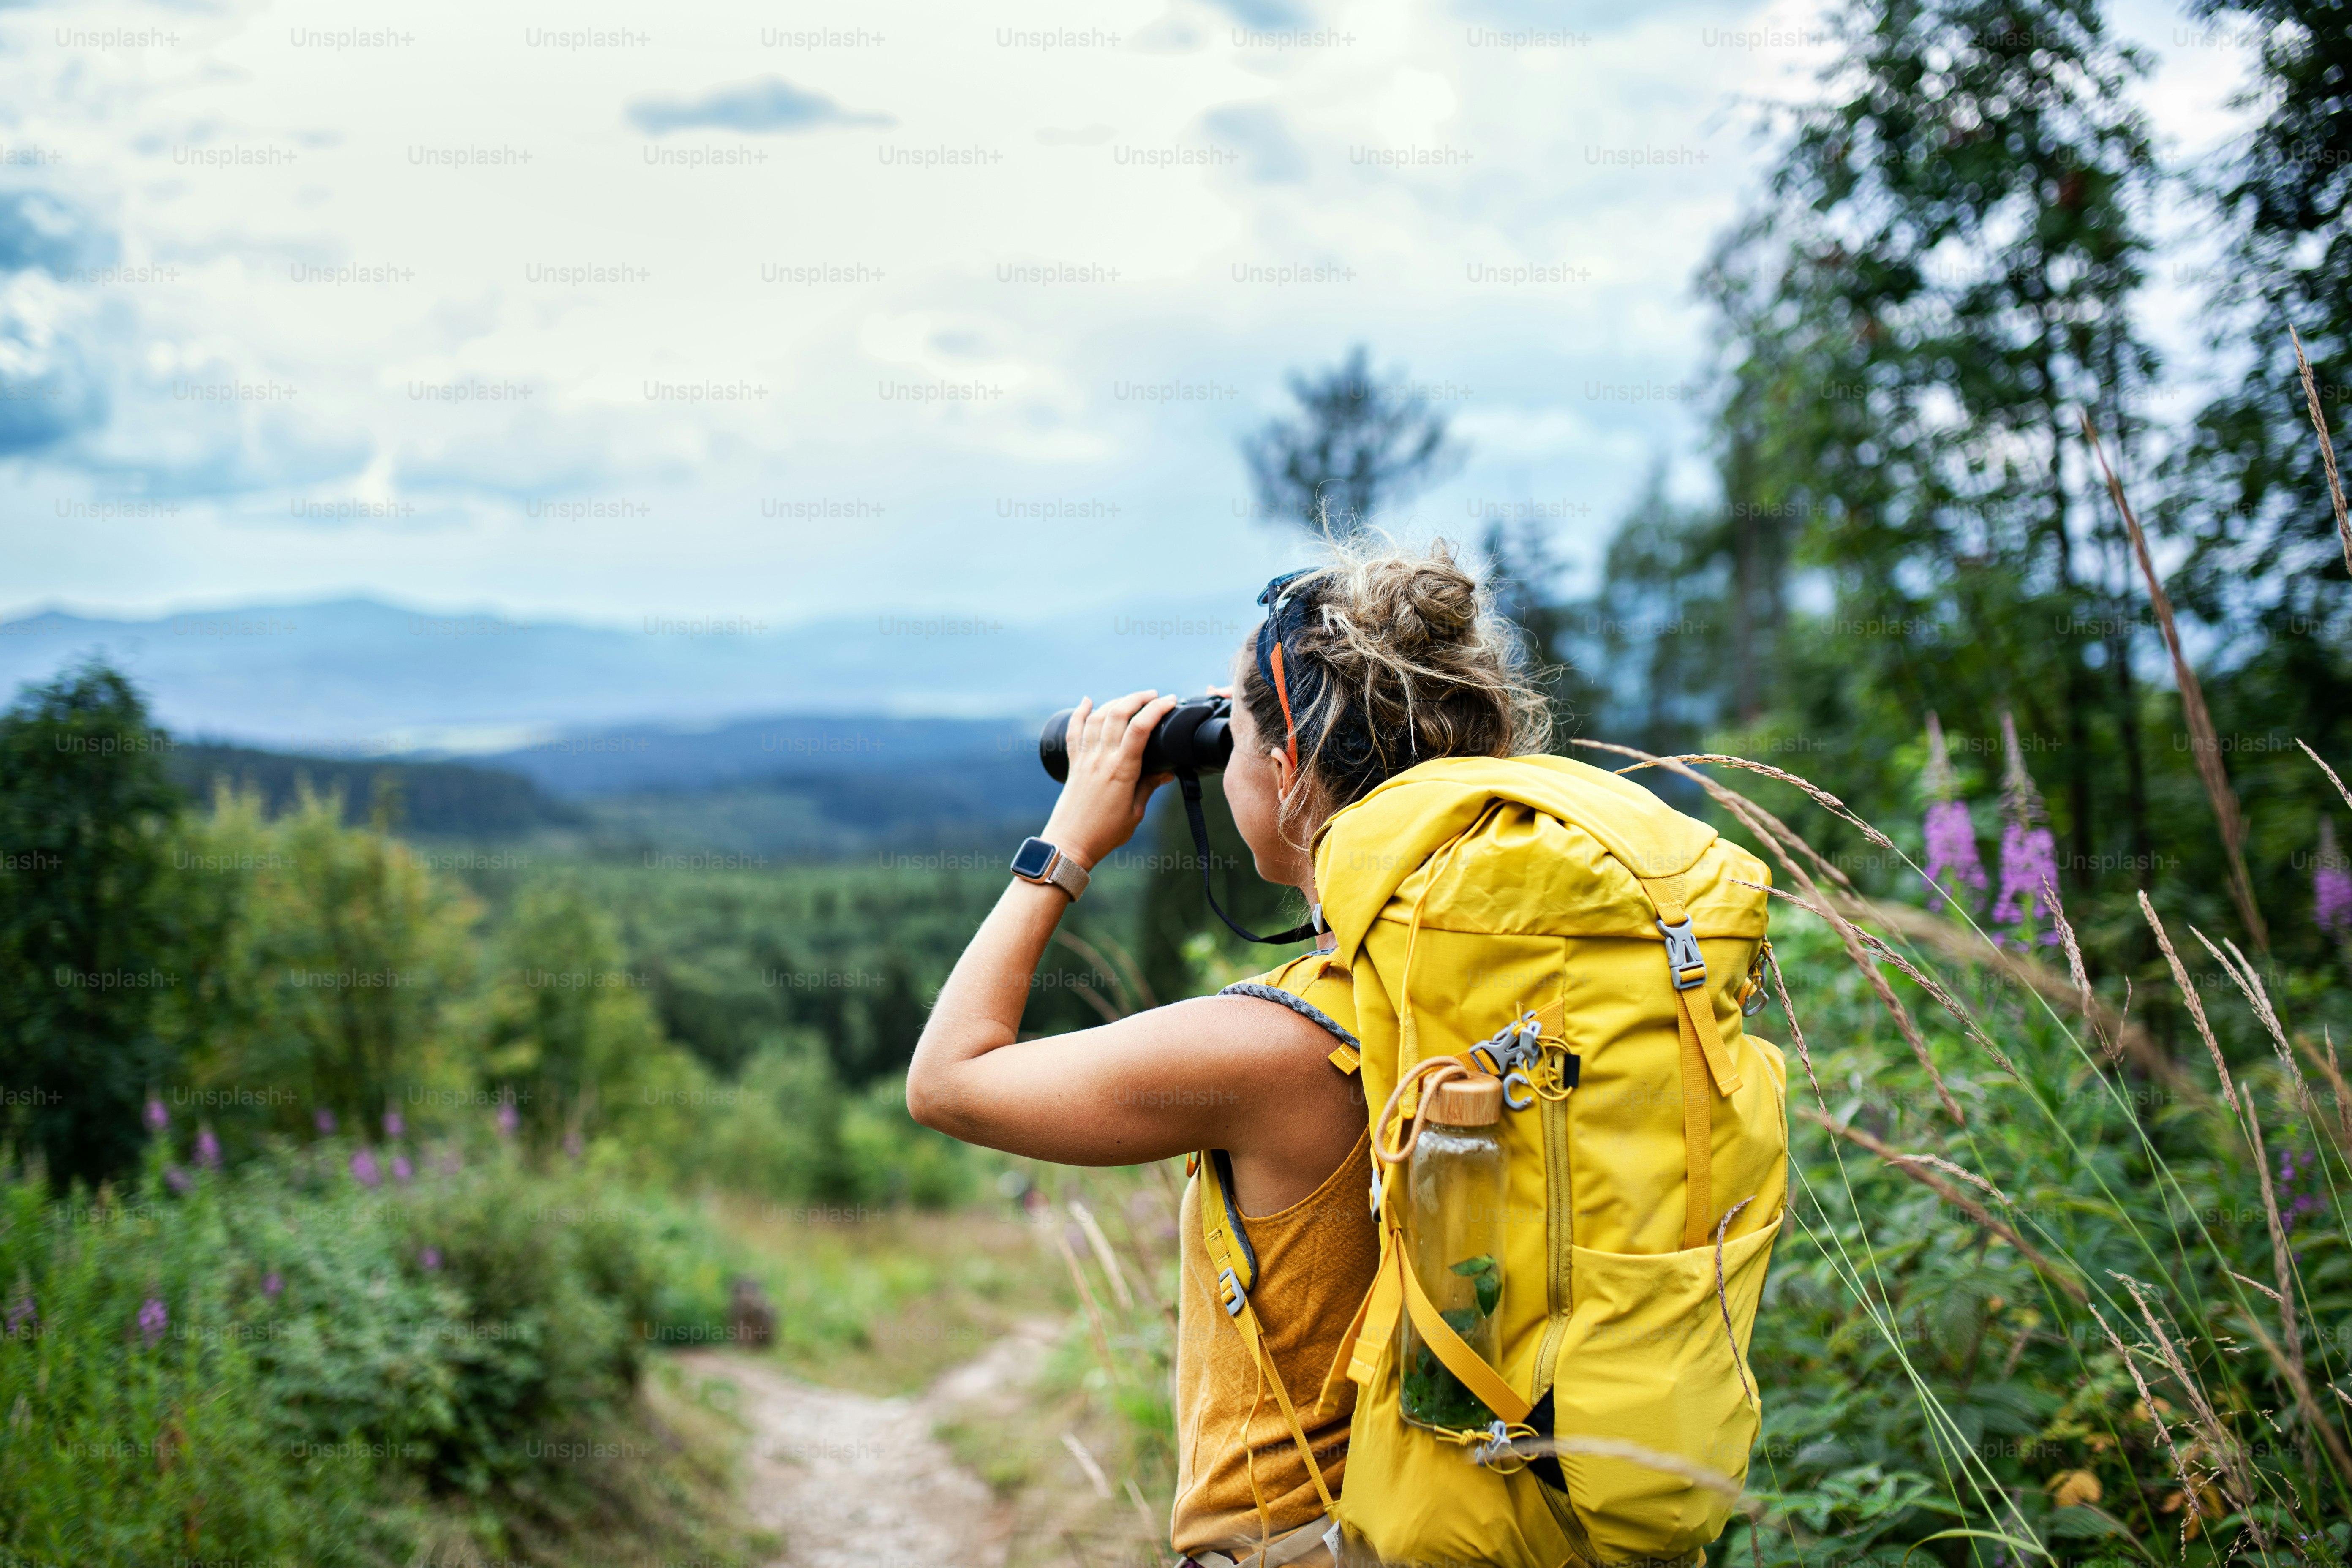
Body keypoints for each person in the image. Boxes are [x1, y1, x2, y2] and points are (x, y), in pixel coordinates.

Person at [906, 536, 1550, 1568]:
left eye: (1240, 735)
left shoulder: (1278, 1046)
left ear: (1286, 771)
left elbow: (947, 1081)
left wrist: (1064, 842)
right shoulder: (1543, 995)